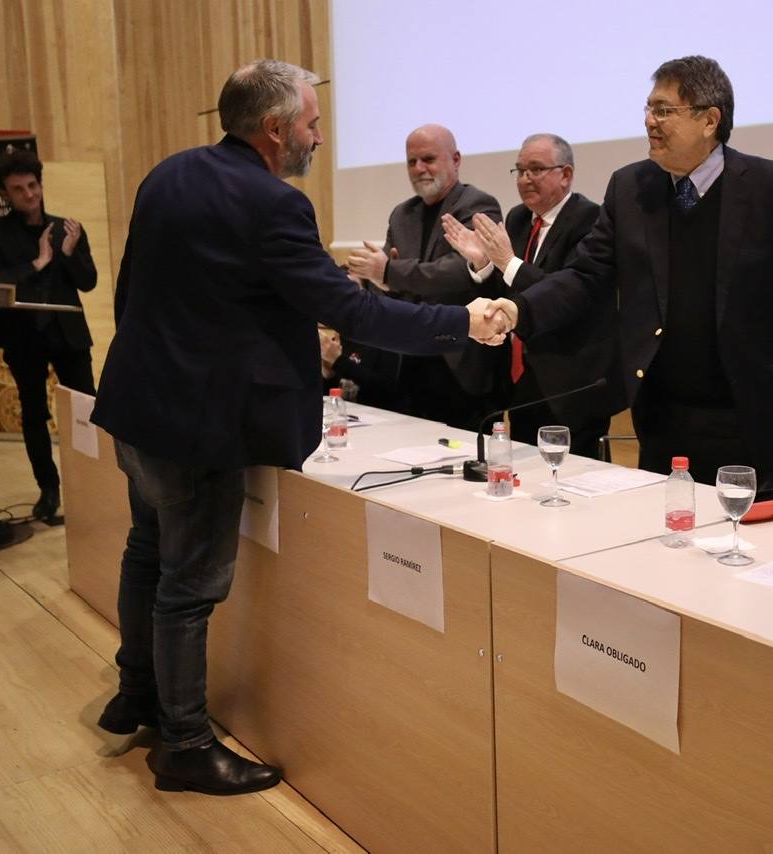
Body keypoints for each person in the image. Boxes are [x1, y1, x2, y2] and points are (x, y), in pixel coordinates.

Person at [90, 60, 507, 796]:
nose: (320, 136)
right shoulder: (273, 204)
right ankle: (184, 743)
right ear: (276, 129)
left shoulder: (169, 174)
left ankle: (138, 696)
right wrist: (460, 323)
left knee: (146, 553)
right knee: (189, 586)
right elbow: (352, 311)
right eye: (313, 124)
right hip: (201, 426)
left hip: (137, 404)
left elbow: (137, 287)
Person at [484, 57, 773, 495]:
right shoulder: (630, 187)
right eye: (648, 109)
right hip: (660, 406)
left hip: (747, 402)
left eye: (664, 110)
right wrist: (518, 308)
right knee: (663, 529)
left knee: (743, 534)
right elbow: (586, 275)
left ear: (710, 119)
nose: (650, 122)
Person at [442, 133, 621, 458]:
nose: (525, 179)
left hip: (571, 381)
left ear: (565, 174)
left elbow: (564, 294)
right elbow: (507, 294)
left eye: (536, 169)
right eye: (520, 170)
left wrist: (507, 261)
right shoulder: (518, 218)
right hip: (522, 378)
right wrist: (482, 262)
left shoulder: (590, 220)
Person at [347, 125, 505, 430]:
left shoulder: (479, 205)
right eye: (411, 161)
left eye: (429, 159)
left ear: (456, 160)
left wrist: (390, 273)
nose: (419, 169)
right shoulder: (401, 214)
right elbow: (389, 283)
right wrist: (377, 281)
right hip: (409, 358)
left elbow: (459, 273)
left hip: (460, 364)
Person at [0, 149, 97, 520]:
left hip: (68, 334)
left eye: (33, 185)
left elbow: (88, 283)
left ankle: (90, 485)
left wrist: (70, 253)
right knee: (34, 414)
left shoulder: (67, 229)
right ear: (4, 195)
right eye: (19, 189)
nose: (29, 195)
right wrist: (36, 263)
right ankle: (49, 490)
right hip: (23, 336)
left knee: (86, 410)